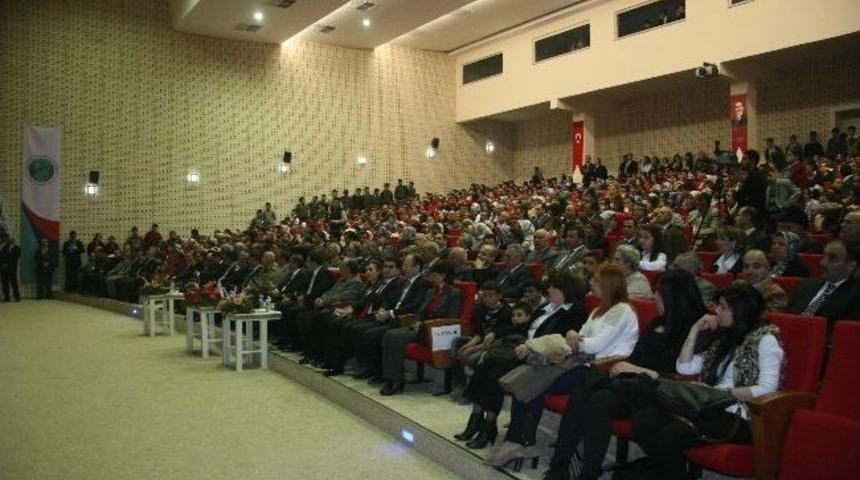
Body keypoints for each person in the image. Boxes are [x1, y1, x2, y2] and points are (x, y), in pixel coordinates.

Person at [544, 269, 705, 480]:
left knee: (600, 401)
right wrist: (626, 367)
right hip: (633, 381)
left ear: (674, 295)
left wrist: (635, 369)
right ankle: (559, 467)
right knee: (582, 391)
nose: (654, 296)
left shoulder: (694, 328)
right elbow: (635, 355)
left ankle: (588, 474)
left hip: (658, 389)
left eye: (659, 292)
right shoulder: (658, 322)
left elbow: (682, 373)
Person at [486, 264, 637, 470]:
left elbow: (597, 344)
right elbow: (575, 336)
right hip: (578, 361)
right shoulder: (598, 310)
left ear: (608, 285)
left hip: (600, 370)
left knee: (535, 382)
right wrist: (575, 337)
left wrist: (577, 338)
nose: (591, 283)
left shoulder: (623, 311)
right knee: (532, 377)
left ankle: (518, 442)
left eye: (595, 280)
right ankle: (518, 441)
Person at [631, 284, 784, 480]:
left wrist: (720, 394)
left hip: (740, 413)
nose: (716, 311)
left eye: (723, 307)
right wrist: (695, 330)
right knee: (644, 420)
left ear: (741, 310)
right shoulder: (724, 337)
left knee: (669, 436)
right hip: (709, 405)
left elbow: (767, 389)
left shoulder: (765, 340)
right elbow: (684, 368)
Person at [458, 271, 588, 450]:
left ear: (565, 290)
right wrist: (497, 333)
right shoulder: (547, 307)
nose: (548, 290)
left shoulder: (575, 312)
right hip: (520, 347)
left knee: (493, 371)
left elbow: (556, 341)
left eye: (553, 287)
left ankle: (488, 425)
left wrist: (530, 346)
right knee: (485, 365)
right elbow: (521, 327)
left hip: (537, 357)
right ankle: (477, 419)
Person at [379, 261, 462, 396]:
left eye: (434, 275)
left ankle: (395, 380)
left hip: (435, 331)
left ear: (442, 276)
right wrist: (415, 321)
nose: (432, 278)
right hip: (420, 327)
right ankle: (392, 378)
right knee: (389, 334)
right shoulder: (431, 292)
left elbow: (452, 318)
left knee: (396, 337)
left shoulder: (454, 293)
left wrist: (424, 325)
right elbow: (420, 311)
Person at [786, 240, 860, 334]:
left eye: (832, 258)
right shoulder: (805, 285)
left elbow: (844, 334)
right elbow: (788, 317)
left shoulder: (856, 295)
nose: (823, 263)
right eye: (824, 256)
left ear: (851, 265)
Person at [1, 234, 21, 302]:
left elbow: (15, 258)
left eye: (12, 239)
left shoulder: (17, 248)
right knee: (5, 283)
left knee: (14, 283)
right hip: (4, 269)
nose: (11, 240)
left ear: (14, 240)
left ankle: (17, 297)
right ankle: (7, 297)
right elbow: (1, 256)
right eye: (10, 239)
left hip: (12, 269)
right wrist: (3, 264)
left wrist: (7, 263)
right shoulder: (4, 247)